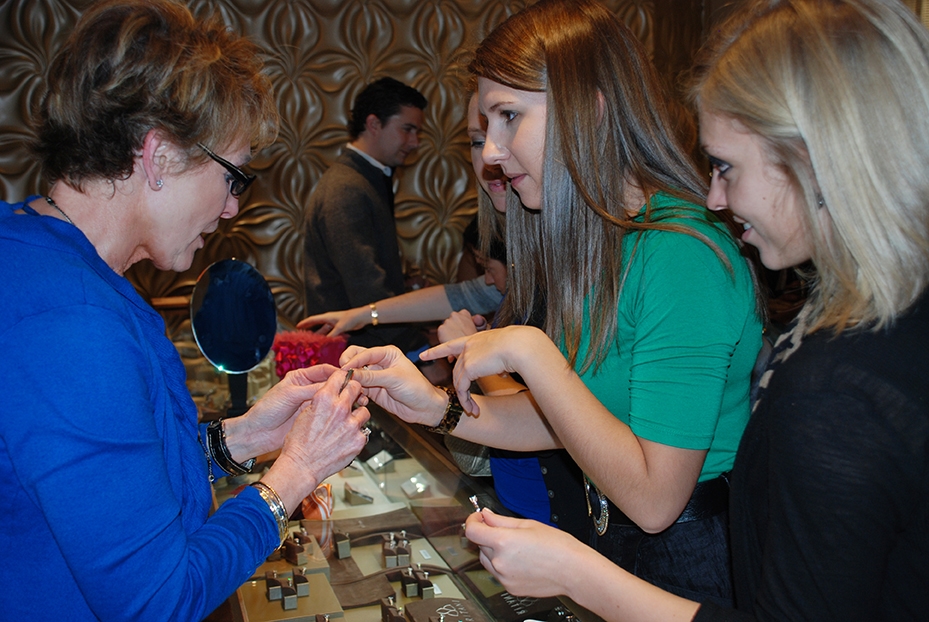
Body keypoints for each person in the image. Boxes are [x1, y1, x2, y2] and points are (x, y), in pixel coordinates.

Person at [457, 1, 929, 620]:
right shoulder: (861, 337)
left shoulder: (833, 385)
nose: (713, 197)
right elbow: (595, 416)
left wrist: (575, 569)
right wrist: (442, 409)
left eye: (726, 166)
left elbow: (657, 497)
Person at [341, 0, 762, 605]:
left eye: (510, 116)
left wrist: (532, 351)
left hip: (684, 559)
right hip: (608, 537)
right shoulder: (600, 243)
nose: (491, 153)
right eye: (488, 126)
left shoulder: (681, 255)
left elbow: (653, 500)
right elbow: (575, 423)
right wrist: (436, 406)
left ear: (586, 112)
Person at [0, 2, 369, 619]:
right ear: (159, 155)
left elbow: (100, 491)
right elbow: (159, 602)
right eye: (233, 177)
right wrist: (293, 477)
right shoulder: (73, 324)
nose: (232, 210)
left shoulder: (39, 257)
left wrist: (243, 437)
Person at [302, 76, 428, 354]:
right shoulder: (347, 188)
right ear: (373, 124)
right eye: (407, 129)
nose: (415, 141)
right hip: (355, 354)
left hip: (366, 350)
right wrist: (420, 351)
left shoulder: (365, 178)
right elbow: (366, 287)